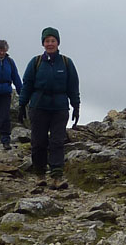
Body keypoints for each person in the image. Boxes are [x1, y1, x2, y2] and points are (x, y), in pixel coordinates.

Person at [18, 27, 80, 190]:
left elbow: (73, 86)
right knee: (38, 142)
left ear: (58, 42)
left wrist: (76, 106)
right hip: (38, 106)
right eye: (47, 41)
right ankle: (40, 174)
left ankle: (57, 176)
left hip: (60, 107)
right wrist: (21, 104)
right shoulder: (36, 62)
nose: (50, 43)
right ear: (43, 43)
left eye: (53, 41)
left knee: (57, 141)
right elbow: (27, 84)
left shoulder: (67, 63)